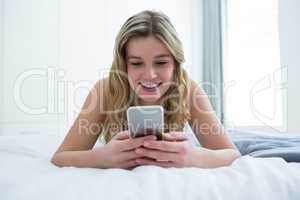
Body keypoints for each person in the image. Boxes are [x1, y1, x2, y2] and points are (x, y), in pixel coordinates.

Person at [51, 10, 241, 169]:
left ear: (176, 64)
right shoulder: (104, 91)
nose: (149, 75)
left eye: (161, 62)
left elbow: (232, 155)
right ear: (123, 64)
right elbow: (60, 157)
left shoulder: (188, 89)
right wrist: (102, 157)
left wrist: (193, 157)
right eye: (136, 63)